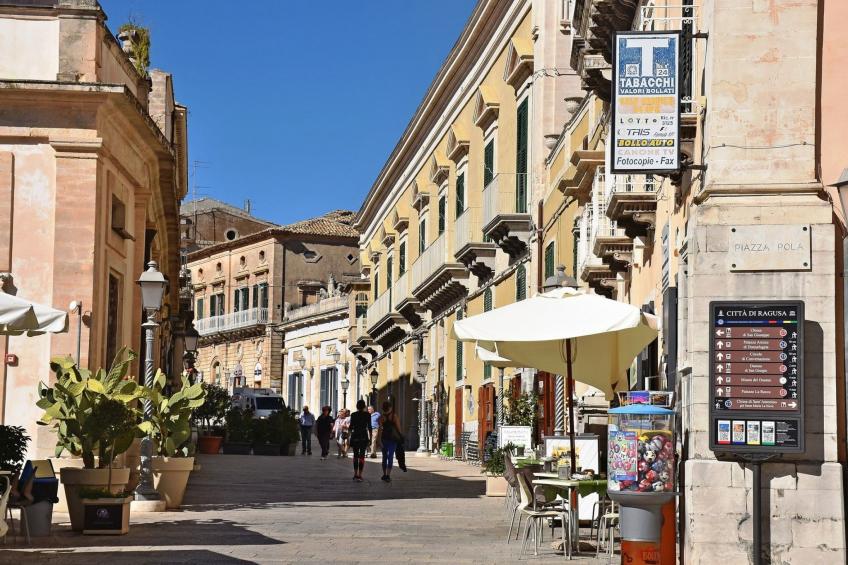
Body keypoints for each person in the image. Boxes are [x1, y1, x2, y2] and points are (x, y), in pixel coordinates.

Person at [379, 400, 402, 482]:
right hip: (393, 439)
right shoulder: (394, 416)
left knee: (384, 457)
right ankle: (388, 475)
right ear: (390, 407)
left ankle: (384, 474)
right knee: (390, 456)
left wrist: (379, 440)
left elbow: (380, 430)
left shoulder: (381, 417)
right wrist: (400, 436)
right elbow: (399, 428)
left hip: (384, 439)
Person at [348, 399, 372, 482]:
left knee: (355, 455)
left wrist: (348, 437)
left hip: (355, 436)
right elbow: (369, 427)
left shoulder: (353, 415)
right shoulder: (367, 415)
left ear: (357, 406)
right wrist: (371, 438)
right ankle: (360, 474)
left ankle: (355, 474)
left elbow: (351, 427)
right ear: (364, 406)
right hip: (363, 436)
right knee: (362, 456)